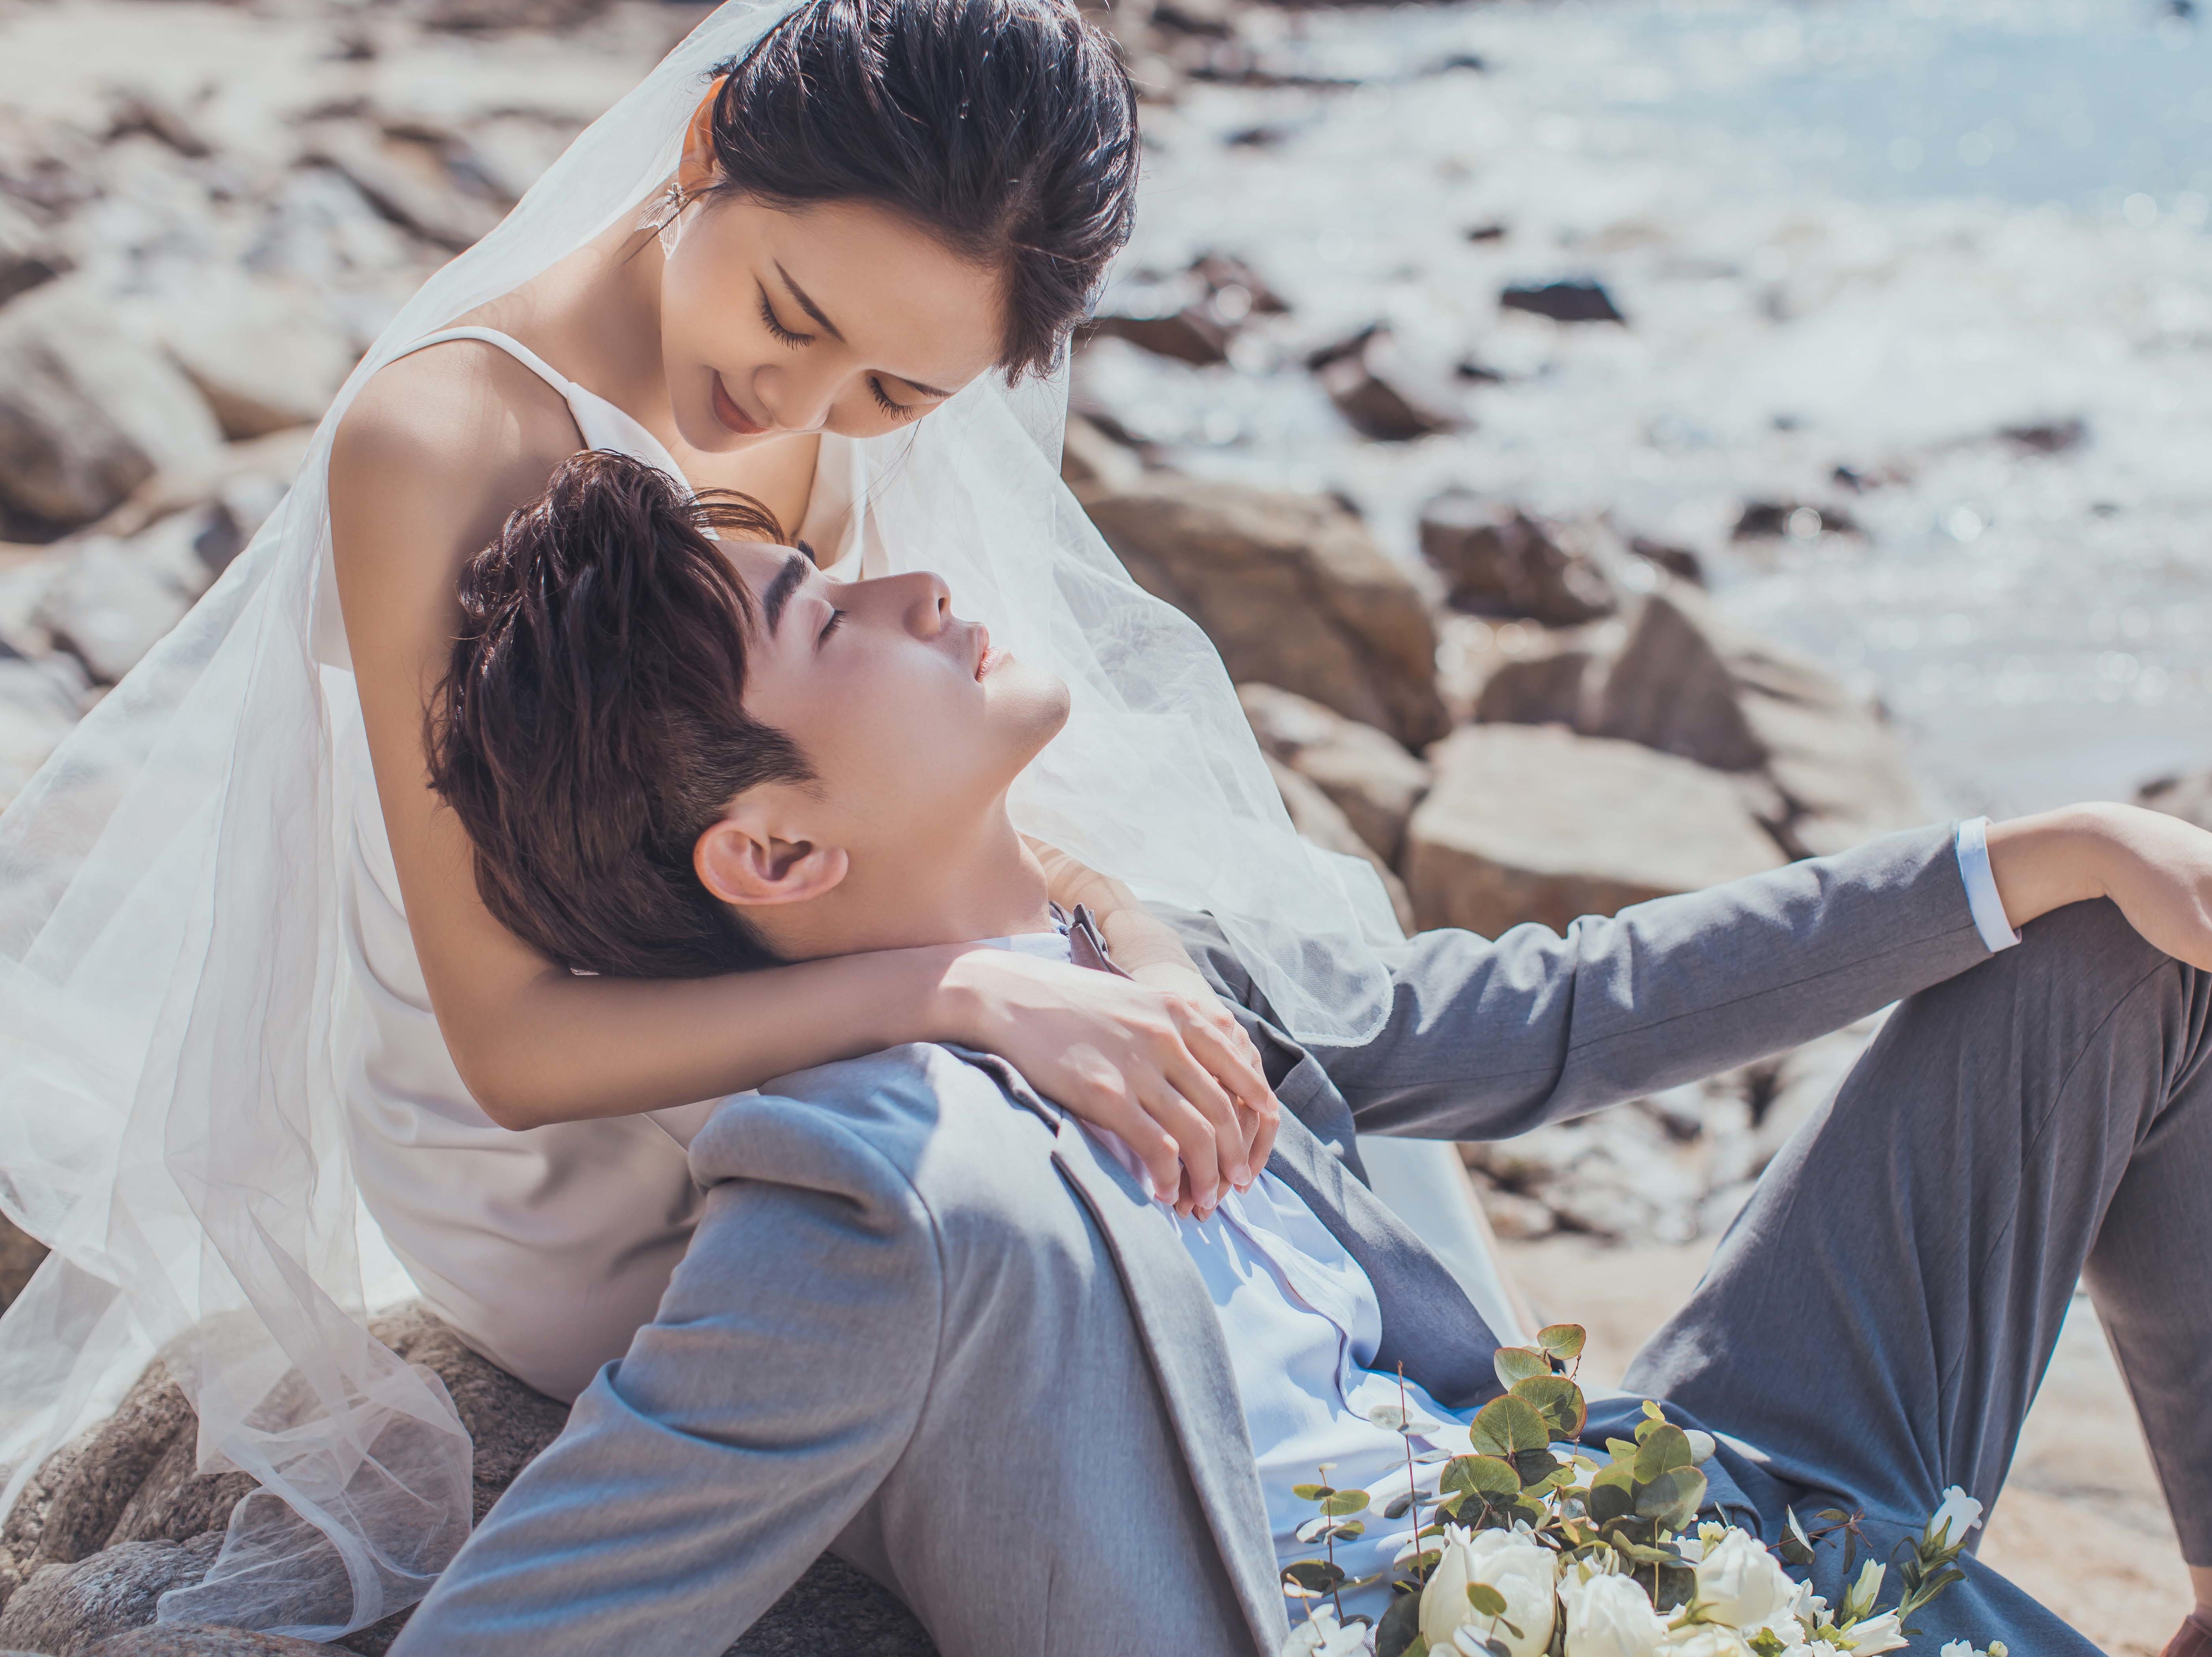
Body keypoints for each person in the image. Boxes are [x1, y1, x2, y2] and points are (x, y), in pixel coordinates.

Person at [386, 451, 2212, 1657]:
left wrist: (2061, 843)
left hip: (1684, 1504)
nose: (917, 579)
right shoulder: (881, 1198)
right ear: (776, 849)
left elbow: (1571, 1014)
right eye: (832, 619)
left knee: (2126, 951)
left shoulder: (1126, 939)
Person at [0, 0, 1404, 1638]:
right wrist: (963, 992)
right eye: (788, 314)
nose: (795, 397)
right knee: (1003, 1211)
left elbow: (932, 813)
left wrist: (1138, 958)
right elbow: (506, 1044)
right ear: (698, 144)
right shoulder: (442, 443)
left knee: (1209, 1044)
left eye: (893, 384)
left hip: (800, 959)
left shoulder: (832, 392)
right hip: (557, 1137)